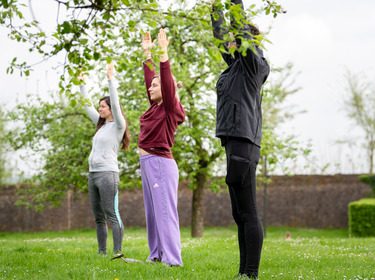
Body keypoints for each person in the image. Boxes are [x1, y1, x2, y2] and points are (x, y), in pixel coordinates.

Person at [211, 0, 270, 278]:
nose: (231, 43)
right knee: (239, 214)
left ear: (248, 41)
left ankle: (251, 273)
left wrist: (235, 5)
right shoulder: (236, 66)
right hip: (233, 140)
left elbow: (238, 33)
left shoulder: (252, 65)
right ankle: (243, 273)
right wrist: (215, 9)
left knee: (248, 210)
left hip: (244, 140)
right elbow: (222, 39)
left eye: (238, 39)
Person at [139, 28, 185, 266]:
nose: (150, 87)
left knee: (165, 213)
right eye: (151, 84)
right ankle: (156, 255)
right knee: (153, 213)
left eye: (156, 85)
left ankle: (173, 260)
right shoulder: (154, 108)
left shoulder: (169, 107)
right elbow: (152, 81)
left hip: (160, 163)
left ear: (167, 90)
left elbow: (164, 84)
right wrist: (147, 55)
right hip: (147, 163)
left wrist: (163, 53)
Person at [78, 62, 130, 255]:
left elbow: (116, 104)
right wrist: (82, 84)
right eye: (99, 106)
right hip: (93, 175)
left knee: (112, 214)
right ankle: (102, 253)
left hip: (108, 175)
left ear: (110, 109)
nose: (100, 109)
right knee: (98, 217)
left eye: (103, 106)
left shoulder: (118, 125)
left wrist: (110, 80)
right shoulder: (100, 126)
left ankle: (117, 252)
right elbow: (86, 106)